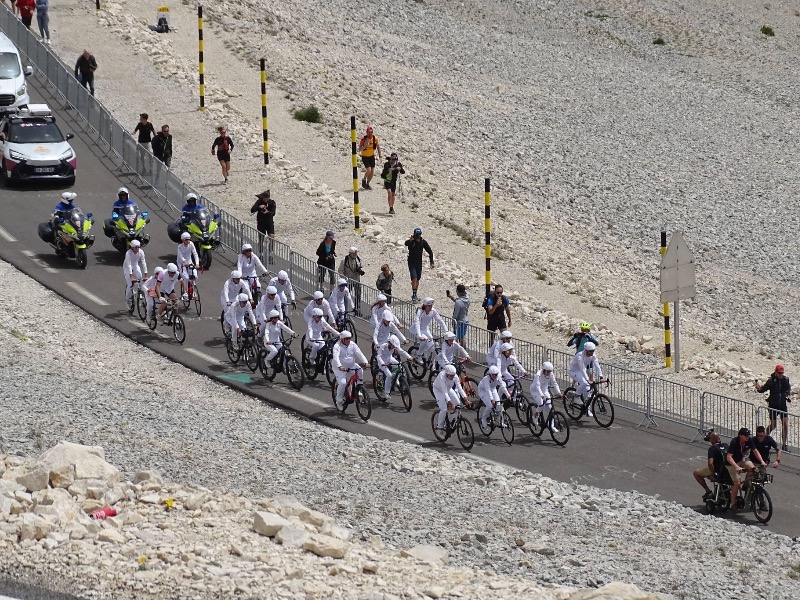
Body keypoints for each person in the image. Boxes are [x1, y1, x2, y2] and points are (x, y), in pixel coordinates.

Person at [726, 428, 766, 509]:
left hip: (741, 460)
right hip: (732, 463)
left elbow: (755, 451)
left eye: (748, 435)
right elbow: (729, 457)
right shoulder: (734, 442)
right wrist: (737, 467)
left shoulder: (749, 440)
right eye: (746, 435)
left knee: (754, 469)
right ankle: (733, 503)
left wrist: (762, 461)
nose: (748, 437)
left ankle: (747, 485)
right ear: (740, 435)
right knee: (737, 482)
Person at [755, 365, 791, 451]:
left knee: (785, 425)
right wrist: (758, 388)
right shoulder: (771, 381)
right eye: (779, 373)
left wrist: (788, 395)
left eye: (782, 373)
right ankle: (763, 439)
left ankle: (784, 445)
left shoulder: (785, 380)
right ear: (775, 372)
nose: (781, 374)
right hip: (773, 405)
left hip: (782, 405)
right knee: (773, 425)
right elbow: (762, 390)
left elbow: (788, 389)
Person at [331, 330, 369, 410]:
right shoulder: (337, 346)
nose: (349, 340)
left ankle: (359, 388)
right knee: (343, 383)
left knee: (360, 370)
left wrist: (365, 362)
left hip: (351, 365)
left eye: (350, 338)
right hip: (340, 368)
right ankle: (339, 401)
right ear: (342, 339)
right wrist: (340, 366)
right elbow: (336, 357)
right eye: (347, 338)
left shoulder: (352, 344)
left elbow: (359, 353)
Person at [568, 341, 602, 416]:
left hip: (581, 372)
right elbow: (582, 369)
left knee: (588, 391)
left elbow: (597, 365)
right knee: (584, 383)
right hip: (574, 371)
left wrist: (601, 376)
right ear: (586, 350)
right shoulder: (579, 356)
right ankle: (576, 397)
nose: (592, 352)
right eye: (590, 351)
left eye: (593, 351)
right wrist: (588, 380)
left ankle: (587, 408)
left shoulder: (593, 355)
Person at [376, 335, 412, 401]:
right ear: (390, 343)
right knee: (389, 375)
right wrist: (383, 363)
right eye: (393, 345)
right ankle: (386, 393)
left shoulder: (394, 347)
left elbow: (402, 351)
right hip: (382, 362)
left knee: (400, 366)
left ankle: (396, 378)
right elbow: (378, 356)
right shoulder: (383, 346)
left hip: (390, 359)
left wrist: (410, 357)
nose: (394, 347)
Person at [411, 298, 447, 363]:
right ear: (425, 306)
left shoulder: (433, 311)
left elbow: (440, 320)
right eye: (429, 306)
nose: (431, 307)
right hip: (416, 329)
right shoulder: (420, 312)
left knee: (433, 347)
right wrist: (419, 336)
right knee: (424, 341)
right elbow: (417, 323)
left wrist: (446, 331)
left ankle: (432, 363)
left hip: (425, 329)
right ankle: (418, 355)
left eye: (431, 306)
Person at [692, 432, 726, 501]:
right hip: (726, 470)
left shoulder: (712, 449)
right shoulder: (726, 446)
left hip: (717, 470)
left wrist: (713, 474)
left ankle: (708, 491)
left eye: (710, 439)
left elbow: (710, 464)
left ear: (713, 440)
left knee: (696, 473)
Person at [432, 364, 467, 432]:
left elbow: (460, 389)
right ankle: (439, 427)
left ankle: (453, 420)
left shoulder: (455, 376)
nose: (452, 377)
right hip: (438, 390)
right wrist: (451, 404)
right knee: (444, 409)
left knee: (457, 403)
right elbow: (444, 393)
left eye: (453, 375)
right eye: (451, 376)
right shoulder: (442, 376)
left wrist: (466, 399)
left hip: (448, 389)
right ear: (446, 374)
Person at [405, 227, 434, 302]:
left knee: (417, 279)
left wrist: (431, 261)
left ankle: (415, 293)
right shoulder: (412, 241)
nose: (418, 237)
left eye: (419, 235)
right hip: (411, 262)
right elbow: (406, 244)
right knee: (414, 277)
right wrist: (410, 240)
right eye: (416, 235)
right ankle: (414, 295)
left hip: (419, 262)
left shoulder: (423, 242)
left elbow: (430, 251)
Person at [478, 366, 510, 432]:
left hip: (493, 389)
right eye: (493, 375)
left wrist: (508, 395)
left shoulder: (498, 377)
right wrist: (492, 399)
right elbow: (488, 390)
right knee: (490, 405)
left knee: (498, 404)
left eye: (496, 374)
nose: (495, 376)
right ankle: (483, 418)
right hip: (483, 391)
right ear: (490, 374)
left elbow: (503, 386)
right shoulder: (486, 379)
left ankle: (499, 421)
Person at [530, 362, 561, 427]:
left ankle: (551, 426)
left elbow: (554, 383)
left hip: (544, 390)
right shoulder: (538, 375)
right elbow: (537, 387)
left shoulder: (551, 374)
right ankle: (535, 415)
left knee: (549, 408)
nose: (549, 373)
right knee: (541, 403)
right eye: (548, 371)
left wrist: (559, 393)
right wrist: (542, 396)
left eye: (550, 372)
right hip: (535, 391)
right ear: (544, 370)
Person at [122, 239, 147, 310]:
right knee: (130, 284)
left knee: (140, 278)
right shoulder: (128, 253)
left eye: (139, 247)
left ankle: (140, 292)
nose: (138, 249)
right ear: (132, 248)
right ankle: (127, 299)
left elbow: (144, 263)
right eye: (136, 247)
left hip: (135, 265)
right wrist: (131, 276)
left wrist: (146, 275)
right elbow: (129, 265)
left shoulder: (141, 252)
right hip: (127, 267)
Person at [339, 247, 364, 316]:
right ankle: (344, 309)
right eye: (354, 253)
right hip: (348, 281)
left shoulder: (358, 259)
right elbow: (340, 270)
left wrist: (359, 271)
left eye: (356, 253)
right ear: (350, 253)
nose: (355, 254)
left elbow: (360, 266)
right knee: (346, 295)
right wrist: (344, 279)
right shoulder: (345, 260)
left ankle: (357, 310)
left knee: (358, 295)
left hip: (357, 280)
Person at [250, 190, 275, 258]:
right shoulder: (259, 201)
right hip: (261, 222)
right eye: (264, 198)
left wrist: (267, 212)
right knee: (261, 239)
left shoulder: (272, 203)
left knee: (272, 238)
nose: (265, 199)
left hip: (269, 222)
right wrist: (259, 207)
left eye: (267, 198)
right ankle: (261, 254)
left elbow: (273, 213)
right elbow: (252, 210)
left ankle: (270, 254)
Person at [176, 232, 199, 300]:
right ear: (183, 240)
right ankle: (185, 292)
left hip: (189, 262)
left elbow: (195, 254)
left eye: (189, 239)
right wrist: (184, 261)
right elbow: (180, 256)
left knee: (195, 276)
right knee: (186, 278)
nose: (188, 241)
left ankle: (193, 291)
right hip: (181, 263)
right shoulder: (180, 247)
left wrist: (197, 263)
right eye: (186, 240)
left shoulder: (191, 244)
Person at [447, 284, 470, 350]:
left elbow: (455, 314)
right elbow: (459, 301)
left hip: (460, 322)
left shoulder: (458, 302)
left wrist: (453, 321)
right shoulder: (467, 298)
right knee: (462, 337)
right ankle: (464, 354)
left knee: (461, 339)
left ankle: (463, 354)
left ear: (457, 291)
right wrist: (451, 297)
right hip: (465, 320)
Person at [358, 125, 381, 190]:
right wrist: (364, 146)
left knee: (372, 171)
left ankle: (367, 184)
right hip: (365, 157)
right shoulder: (363, 139)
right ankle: (364, 179)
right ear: (366, 132)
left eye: (371, 132)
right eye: (369, 132)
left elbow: (378, 147)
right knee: (369, 170)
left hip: (371, 156)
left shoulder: (375, 139)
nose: (370, 133)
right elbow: (359, 149)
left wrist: (380, 156)